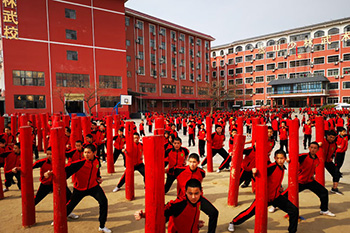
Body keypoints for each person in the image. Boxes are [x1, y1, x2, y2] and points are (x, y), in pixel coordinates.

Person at [228, 150, 298, 233]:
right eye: (278, 158)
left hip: (275, 197)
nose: (280, 160)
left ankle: (292, 231)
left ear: (285, 158)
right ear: (275, 158)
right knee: (249, 212)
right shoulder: (271, 167)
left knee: (294, 210)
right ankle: (233, 222)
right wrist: (254, 173)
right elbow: (259, 174)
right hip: (264, 197)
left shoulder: (282, 168)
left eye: (282, 158)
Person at [275, 142, 336, 217]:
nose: (313, 149)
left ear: (317, 150)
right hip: (300, 181)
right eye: (311, 147)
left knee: (324, 192)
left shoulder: (317, 160)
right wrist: (288, 160)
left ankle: (324, 210)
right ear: (309, 148)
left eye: (315, 148)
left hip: (310, 181)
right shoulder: (303, 156)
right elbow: (293, 158)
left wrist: (312, 175)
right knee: (285, 195)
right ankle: (274, 205)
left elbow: (313, 169)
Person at [134, 179, 218, 233]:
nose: (193, 197)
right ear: (185, 192)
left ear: (201, 191)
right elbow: (160, 212)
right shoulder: (179, 204)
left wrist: (194, 223)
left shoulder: (200, 200)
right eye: (190, 193)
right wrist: (143, 214)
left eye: (196, 193)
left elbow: (214, 213)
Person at [64, 144, 111, 233]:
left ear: (94, 153)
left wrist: (98, 177)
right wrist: (51, 173)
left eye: (88, 153)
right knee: (70, 205)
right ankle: (60, 219)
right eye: (85, 152)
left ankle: (102, 226)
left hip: (93, 187)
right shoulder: (79, 164)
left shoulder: (97, 160)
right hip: (79, 189)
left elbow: (97, 170)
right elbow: (64, 169)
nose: (86, 154)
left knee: (104, 202)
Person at [319, 130, 343, 195]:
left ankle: (334, 189)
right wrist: (318, 145)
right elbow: (312, 146)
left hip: (328, 162)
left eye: (334, 138)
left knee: (336, 173)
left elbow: (333, 152)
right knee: (310, 174)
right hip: (319, 161)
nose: (332, 139)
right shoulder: (323, 141)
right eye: (331, 137)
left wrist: (331, 157)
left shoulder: (334, 144)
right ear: (327, 136)